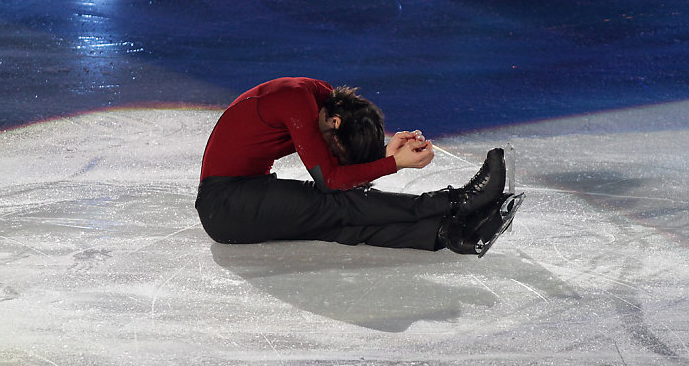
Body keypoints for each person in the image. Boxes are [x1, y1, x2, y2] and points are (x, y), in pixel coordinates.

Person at [195, 77, 515, 255]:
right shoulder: (295, 100)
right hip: (226, 205)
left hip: (245, 200)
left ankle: (447, 233)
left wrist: (383, 154)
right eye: (337, 148)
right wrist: (391, 163)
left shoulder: (323, 102)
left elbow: (340, 170)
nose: (332, 153)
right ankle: (459, 202)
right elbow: (333, 181)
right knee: (335, 203)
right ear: (335, 122)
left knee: (340, 223)